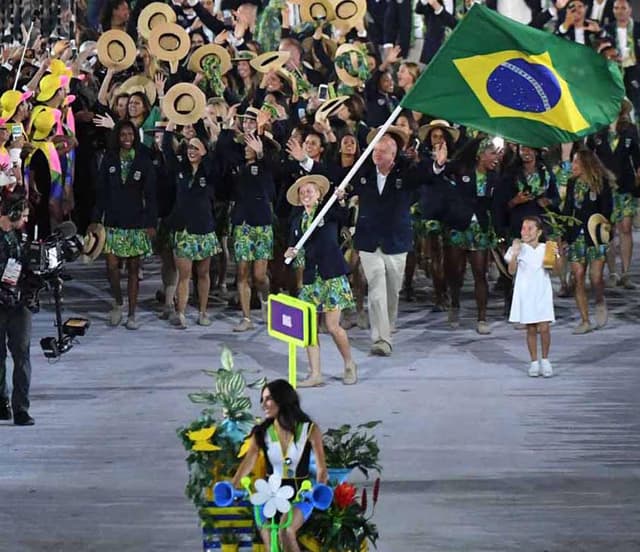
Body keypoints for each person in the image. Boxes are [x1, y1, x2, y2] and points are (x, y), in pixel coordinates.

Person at [231, 379, 328, 552]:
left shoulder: (310, 430)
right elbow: (248, 462)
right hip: (268, 493)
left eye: (268, 399)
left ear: (282, 399)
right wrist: (233, 486)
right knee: (270, 541)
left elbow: (322, 469)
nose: (263, 405)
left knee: (286, 529)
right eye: (262, 399)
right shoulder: (261, 432)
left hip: (301, 493)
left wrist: (319, 491)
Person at [285, 175, 357, 387]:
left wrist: (341, 199)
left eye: (310, 191)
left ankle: (349, 364)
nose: (306, 194)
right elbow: (294, 250)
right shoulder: (297, 222)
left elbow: (344, 216)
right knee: (309, 328)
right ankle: (315, 373)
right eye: (302, 191)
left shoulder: (329, 213)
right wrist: (290, 253)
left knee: (333, 326)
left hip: (332, 276)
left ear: (319, 196)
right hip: (311, 280)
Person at [92, 119, 157, 330]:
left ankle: (132, 314)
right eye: (123, 135)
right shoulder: (109, 159)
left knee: (133, 269)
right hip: (112, 221)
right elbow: (100, 193)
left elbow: (151, 195)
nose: (127, 138)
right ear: (117, 137)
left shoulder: (144, 161)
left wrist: (151, 223)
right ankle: (118, 302)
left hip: (136, 223)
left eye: (130, 135)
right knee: (111, 267)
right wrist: (95, 221)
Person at [162, 123, 219, 329]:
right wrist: (169, 130)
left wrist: (202, 123)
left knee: (203, 274)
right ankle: (181, 313)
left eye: (196, 148)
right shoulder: (179, 168)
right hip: (183, 230)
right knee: (183, 275)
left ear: (204, 151)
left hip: (204, 228)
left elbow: (216, 157)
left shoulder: (210, 171)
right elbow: (167, 152)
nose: (192, 151)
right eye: (189, 148)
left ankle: (203, 312)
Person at [562, 148, 614, 334]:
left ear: (586, 164)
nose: (573, 166)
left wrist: (605, 232)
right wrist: (565, 236)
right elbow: (568, 210)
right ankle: (585, 320)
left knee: (596, 277)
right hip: (577, 235)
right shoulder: (571, 183)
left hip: (596, 236)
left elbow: (607, 211)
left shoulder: (601, 183)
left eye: (576, 162)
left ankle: (599, 300)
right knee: (578, 276)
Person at [505, 216, 556, 378]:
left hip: (542, 291)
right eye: (523, 228)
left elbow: (557, 270)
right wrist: (515, 254)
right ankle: (534, 362)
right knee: (531, 328)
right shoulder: (518, 248)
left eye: (529, 228)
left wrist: (556, 255)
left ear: (539, 232)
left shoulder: (546, 248)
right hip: (526, 293)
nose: (525, 231)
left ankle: (546, 360)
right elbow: (511, 271)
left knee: (545, 327)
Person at [0, 190, 34, 425]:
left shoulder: (21, 237)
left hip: (19, 303)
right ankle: (2, 403)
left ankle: (20, 408)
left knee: (21, 355)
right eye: (23, 215)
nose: (26, 220)